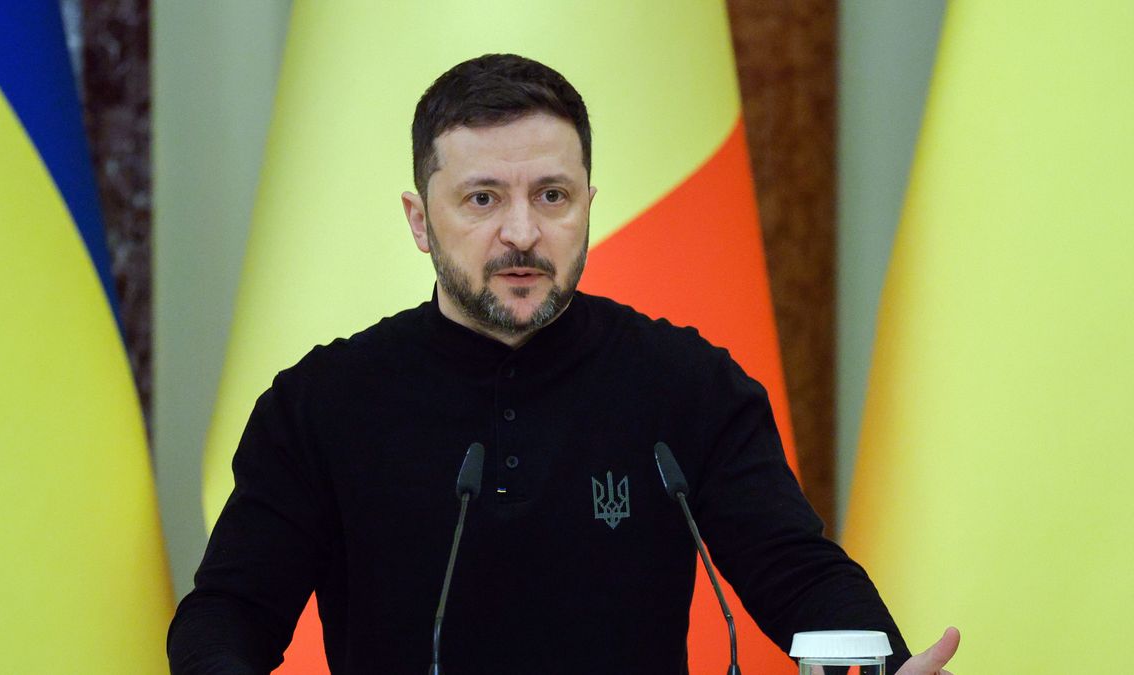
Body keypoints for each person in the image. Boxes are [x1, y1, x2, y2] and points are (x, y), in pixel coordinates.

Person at [168, 53, 958, 675]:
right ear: (419, 219)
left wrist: (882, 665)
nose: (521, 232)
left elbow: (798, 573)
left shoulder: (686, 383)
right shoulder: (322, 403)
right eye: (482, 199)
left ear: (588, 201)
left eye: (552, 196)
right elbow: (228, 616)